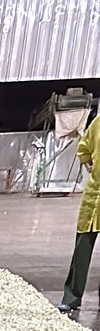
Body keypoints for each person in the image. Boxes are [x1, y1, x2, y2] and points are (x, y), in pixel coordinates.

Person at [60, 108, 99, 318]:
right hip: (94, 197)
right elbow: (84, 148)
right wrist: (88, 164)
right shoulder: (99, 123)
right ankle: (71, 298)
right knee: (82, 250)